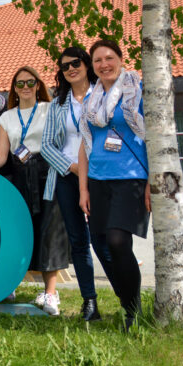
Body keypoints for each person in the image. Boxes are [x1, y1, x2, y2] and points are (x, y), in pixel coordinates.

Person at [0, 66, 69, 316]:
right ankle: (10, 284)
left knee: (50, 231)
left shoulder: (51, 109)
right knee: (20, 231)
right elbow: (1, 155)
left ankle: (50, 293)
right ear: (14, 89)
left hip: (48, 171)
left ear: (38, 85)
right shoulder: (6, 117)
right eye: (20, 84)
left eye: (30, 82)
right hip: (20, 175)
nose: (25, 87)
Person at [78, 40, 150, 331]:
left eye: (109, 58)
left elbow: (155, 139)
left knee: (119, 241)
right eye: (97, 60)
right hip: (97, 180)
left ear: (121, 59)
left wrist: (152, 184)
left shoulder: (138, 92)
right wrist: (83, 189)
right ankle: (127, 304)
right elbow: (84, 147)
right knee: (104, 246)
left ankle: (133, 309)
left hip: (131, 178)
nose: (103, 64)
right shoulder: (91, 100)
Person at [41, 47, 114, 321]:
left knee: (102, 240)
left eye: (76, 63)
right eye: (65, 66)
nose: (71, 69)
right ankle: (90, 302)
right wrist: (72, 167)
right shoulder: (58, 103)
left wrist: (87, 168)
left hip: (99, 175)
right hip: (65, 176)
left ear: (86, 64)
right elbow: (46, 145)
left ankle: (125, 297)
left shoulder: (104, 95)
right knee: (78, 242)